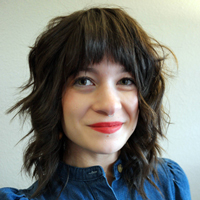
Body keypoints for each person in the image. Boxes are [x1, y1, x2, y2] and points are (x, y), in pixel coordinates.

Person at [0, 7, 191, 200]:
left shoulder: (169, 182)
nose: (109, 106)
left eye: (125, 81)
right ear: (52, 97)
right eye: (84, 81)